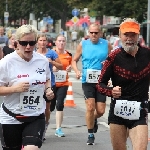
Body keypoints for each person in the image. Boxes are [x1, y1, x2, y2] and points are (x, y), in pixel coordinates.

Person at [96, 18, 149, 150]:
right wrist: (111, 91)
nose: (129, 38)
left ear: (138, 36)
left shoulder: (147, 54)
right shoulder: (113, 57)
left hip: (140, 110)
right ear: (120, 35)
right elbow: (100, 84)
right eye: (126, 35)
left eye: (133, 35)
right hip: (118, 112)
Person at [0, 24, 54, 150]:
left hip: (35, 116)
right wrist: (14, 89)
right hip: (11, 117)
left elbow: (46, 79)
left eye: (32, 42)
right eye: (24, 43)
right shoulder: (6, 63)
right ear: (17, 43)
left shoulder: (43, 61)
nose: (28, 47)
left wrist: (48, 89)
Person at [72, 23, 112, 145]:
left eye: (96, 33)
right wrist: (77, 71)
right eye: (91, 32)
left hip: (101, 81)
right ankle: (90, 134)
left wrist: (109, 70)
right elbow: (74, 60)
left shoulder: (106, 44)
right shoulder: (83, 44)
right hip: (87, 81)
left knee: (100, 111)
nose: (93, 35)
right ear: (88, 33)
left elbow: (112, 60)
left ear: (100, 33)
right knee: (90, 107)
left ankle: (93, 119)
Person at [36, 33, 62, 141]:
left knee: (47, 108)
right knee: (37, 107)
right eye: (40, 40)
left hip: (49, 83)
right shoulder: (33, 53)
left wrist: (51, 62)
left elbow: (61, 66)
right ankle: (37, 128)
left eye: (44, 41)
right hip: (37, 84)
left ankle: (45, 127)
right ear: (37, 42)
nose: (42, 43)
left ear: (47, 42)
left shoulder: (51, 53)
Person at [53, 35, 72, 137]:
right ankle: (44, 126)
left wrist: (69, 69)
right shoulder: (51, 53)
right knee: (50, 107)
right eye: (59, 41)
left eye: (63, 41)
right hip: (52, 83)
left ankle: (58, 128)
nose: (61, 43)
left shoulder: (68, 55)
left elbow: (70, 66)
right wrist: (52, 69)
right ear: (55, 42)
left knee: (59, 104)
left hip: (63, 83)